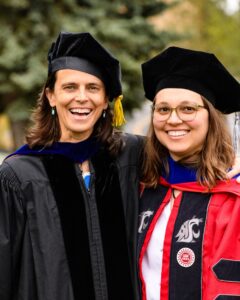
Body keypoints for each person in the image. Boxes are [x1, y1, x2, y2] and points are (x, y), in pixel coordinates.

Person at [0, 31, 142, 300]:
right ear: (51, 96)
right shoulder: (18, 175)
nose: (81, 98)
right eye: (69, 87)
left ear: (105, 101)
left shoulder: (130, 157)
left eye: (93, 88)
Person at [137, 47, 240, 300]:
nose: (173, 120)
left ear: (210, 118)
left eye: (188, 109)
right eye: (163, 110)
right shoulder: (141, 186)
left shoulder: (232, 197)